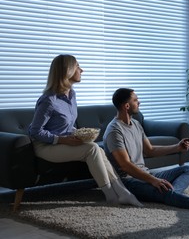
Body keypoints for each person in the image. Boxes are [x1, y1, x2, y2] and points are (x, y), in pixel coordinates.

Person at [29, 54, 143, 207]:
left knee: (99, 150)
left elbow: (66, 126)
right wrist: (61, 139)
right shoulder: (49, 100)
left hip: (61, 143)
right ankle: (112, 195)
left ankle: (122, 192)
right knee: (93, 149)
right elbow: (35, 131)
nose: (82, 70)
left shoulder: (71, 95)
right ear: (67, 71)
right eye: (77, 67)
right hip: (44, 146)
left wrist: (78, 133)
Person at [103, 87, 189, 212]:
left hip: (146, 174)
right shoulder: (114, 131)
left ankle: (171, 194)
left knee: (187, 170)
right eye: (136, 100)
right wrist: (154, 181)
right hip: (129, 182)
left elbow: (150, 150)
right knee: (163, 190)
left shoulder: (135, 124)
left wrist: (177, 147)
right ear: (126, 106)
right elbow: (125, 166)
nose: (139, 102)